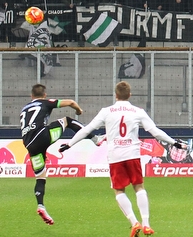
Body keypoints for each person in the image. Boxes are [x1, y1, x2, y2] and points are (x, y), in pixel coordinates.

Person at [60, 81, 184, 237]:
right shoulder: (137, 111)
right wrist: (174, 142)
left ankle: (134, 222)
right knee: (139, 187)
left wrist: (70, 144)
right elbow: (155, 131)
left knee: (119, 190)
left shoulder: (107, 111)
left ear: (115, 95)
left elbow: (87, 130)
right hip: (132, 154)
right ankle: (146, 224)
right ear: (130, 95)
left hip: (115, 156)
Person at [20, 84, 94, 226]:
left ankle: (41, 205)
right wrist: (79, 110)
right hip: (42, 136)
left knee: (40, 177)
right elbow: (71, 102)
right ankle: (96, 139)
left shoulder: (24, 109)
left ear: (31, 96)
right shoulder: (45, 102)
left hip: (29, 145)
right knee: (67, 121)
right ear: (45, 95)